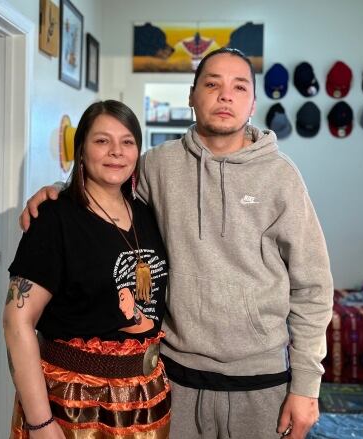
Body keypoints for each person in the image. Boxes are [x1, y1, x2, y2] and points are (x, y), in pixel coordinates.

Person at [21, 48, 333, 439]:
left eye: (239, 87)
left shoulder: (282, 177)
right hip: (173, 380)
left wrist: (307, 385)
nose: (225, 95)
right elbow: (106, 189)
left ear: (253, 101)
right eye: (212, 84)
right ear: (192, 95)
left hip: (262, 382)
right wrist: (59, 190)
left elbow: (313, 288)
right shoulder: (156, 165)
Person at [4, 100, 171, 438]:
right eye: (101, 141)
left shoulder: (146, 213)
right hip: (75, 404)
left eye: (127, 142)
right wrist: (40, 422)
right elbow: (16, 320)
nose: (116, 152)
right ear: (81, 150)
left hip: (146, 402)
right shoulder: (54, 218)